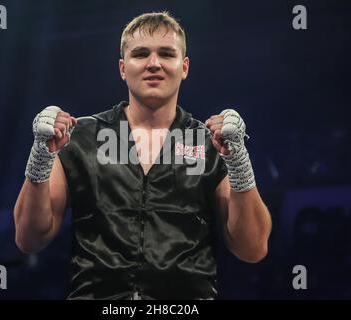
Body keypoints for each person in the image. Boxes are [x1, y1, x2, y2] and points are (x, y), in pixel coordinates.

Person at [14, 11, 272, 300]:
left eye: (166, 53)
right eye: (140, 54)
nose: (153, 64)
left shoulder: (210, 142)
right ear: (123, 68)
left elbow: (253, 248)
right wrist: (40, 156)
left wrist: (238, 161)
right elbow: (29, 238)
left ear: (184, 66)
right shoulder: (80, 137)